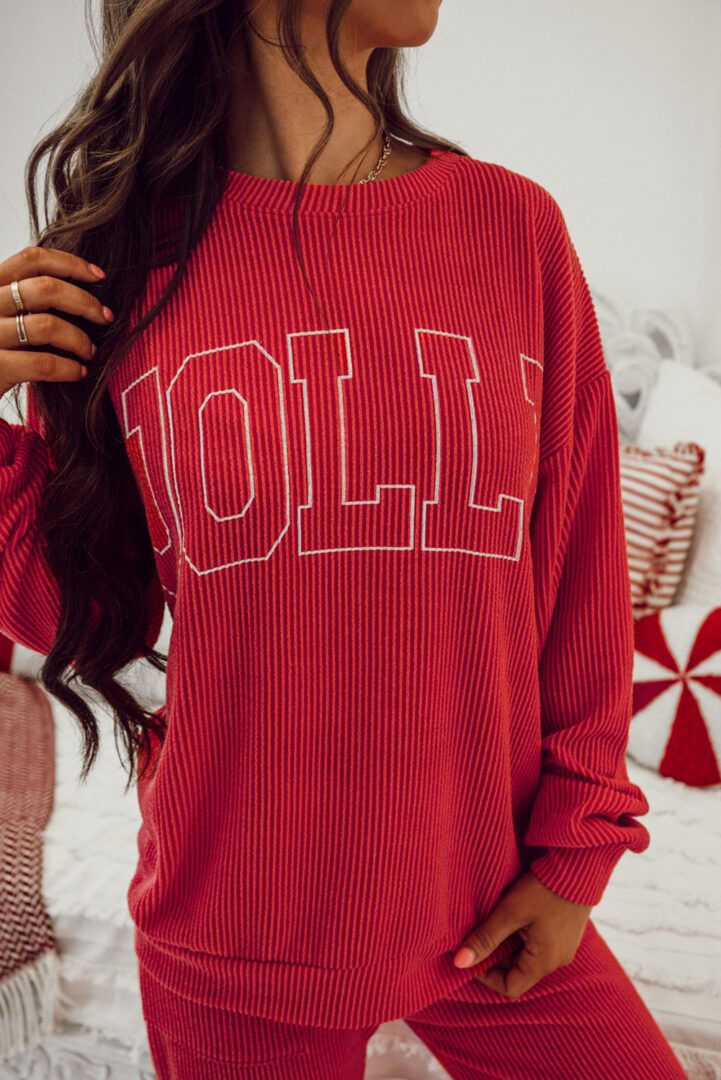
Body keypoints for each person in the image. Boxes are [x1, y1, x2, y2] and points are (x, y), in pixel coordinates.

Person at [0, 1, 689, 1077]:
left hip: (493, 908)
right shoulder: (114, 271)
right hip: (232, 936)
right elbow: (85, 614)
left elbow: (581, 581)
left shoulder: (513, 231)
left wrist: (573, 860)